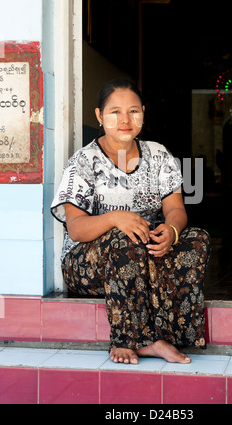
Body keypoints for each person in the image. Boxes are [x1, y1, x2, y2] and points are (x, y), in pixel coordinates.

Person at [51, 78, 211, 365]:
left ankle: (173, 334)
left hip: (144, 252)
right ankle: (134, 339)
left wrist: (172, 231)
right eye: (115, 112)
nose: (125, 120)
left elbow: (176, 208)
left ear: (143, 113)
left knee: (196, 238)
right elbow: (75, 229)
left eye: (133, 111)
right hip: (89, 262)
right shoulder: (83, 162)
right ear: (100, 116)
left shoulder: (158, 154)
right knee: (125, 238)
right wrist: (115, 218)